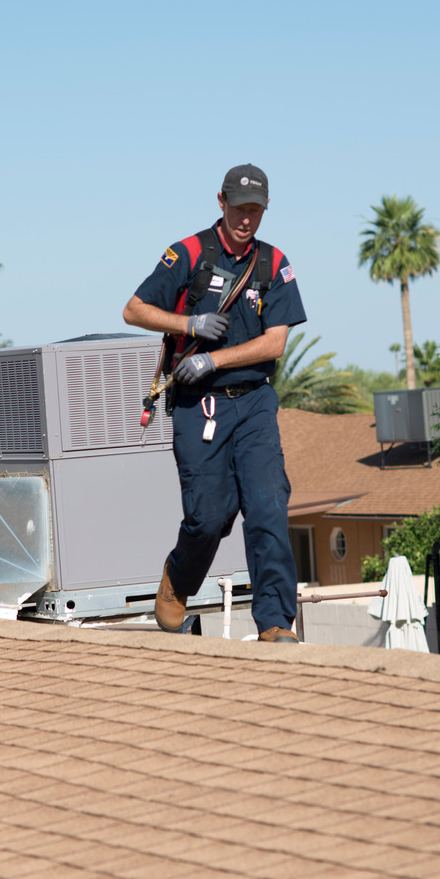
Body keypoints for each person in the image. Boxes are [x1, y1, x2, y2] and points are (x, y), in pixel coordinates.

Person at [121, 164, 308, 642]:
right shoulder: (187, 253)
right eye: (241, 208)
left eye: (257, 210)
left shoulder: (274, 263)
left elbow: (275, 344)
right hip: (197, 407)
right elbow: (134, 309)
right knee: (209, 517)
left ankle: (273, 622)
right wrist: (189, 327)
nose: (248, 219)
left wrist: (214, 360)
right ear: (220, 202)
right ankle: (178, 579)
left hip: (254, 404)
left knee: (267, 508)